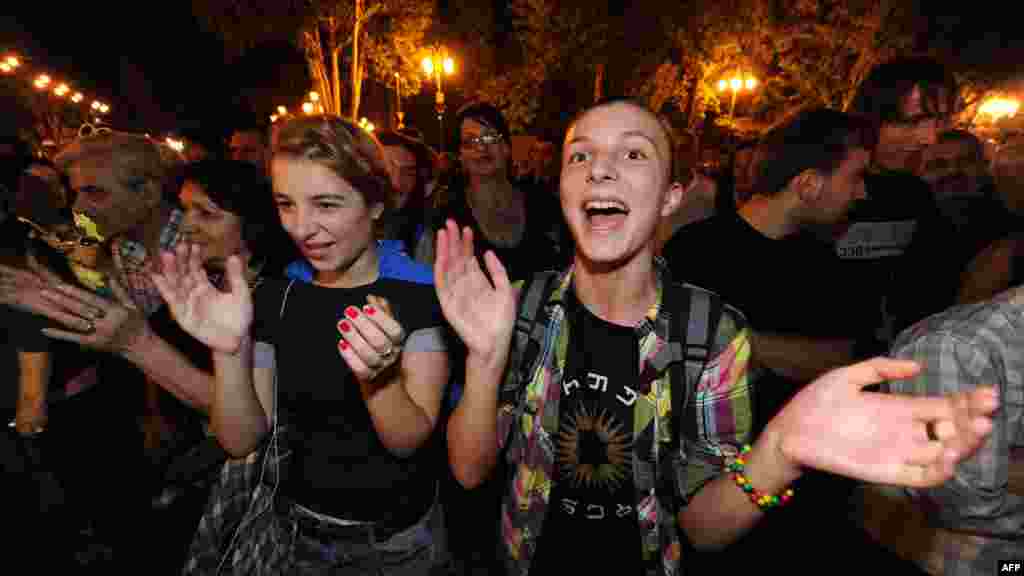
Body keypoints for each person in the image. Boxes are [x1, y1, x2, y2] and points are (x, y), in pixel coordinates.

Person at [434, 97, 999, 575]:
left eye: (632, 153)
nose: (599, 170)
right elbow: (469, 469)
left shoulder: (711, 330)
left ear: (670, 198)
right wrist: (485, 355)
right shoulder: (523, 305)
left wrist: (779, 451)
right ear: (562, 188)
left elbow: (703, 528)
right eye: (580, 155)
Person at [152, 115, 451, 574]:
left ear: (374, 204)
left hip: (398, 546)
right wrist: (228, 350)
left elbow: (408, 440)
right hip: (295, 537)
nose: (301, 227)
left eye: (326, 205)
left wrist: (379, 378)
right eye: (286, 204)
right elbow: (241, 438)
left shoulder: (419, 301)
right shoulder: (274, 298)